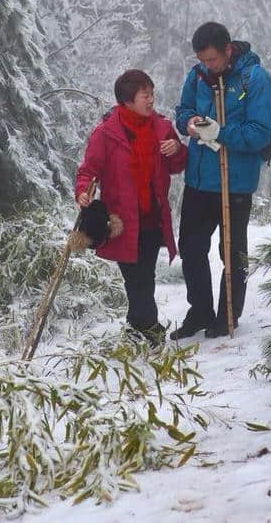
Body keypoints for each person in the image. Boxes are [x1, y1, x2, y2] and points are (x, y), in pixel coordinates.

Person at [172, 22, 271, 339]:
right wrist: (189, 122)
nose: (208, 66)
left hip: (235, 182)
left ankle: (228, 314)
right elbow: (183, 111)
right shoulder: (198, 76)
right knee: (190, 248)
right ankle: (200, 311)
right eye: (203, 60)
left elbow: (260, 134)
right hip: (199, 179)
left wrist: (219, 132)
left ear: (228, 50)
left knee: (231, 252)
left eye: (212, 60)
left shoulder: (255, 80)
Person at [76, 69, 187, 345]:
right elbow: (88, 170)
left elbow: (177, 165)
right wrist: (82, 192)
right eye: (144, 95)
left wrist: (178, 149)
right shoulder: (107, 134)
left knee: (143, 277)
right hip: (122, 222)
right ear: (127, 100)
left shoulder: (161, 128)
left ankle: (139, 328)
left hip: (151, 219)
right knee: (135, 277)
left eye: (152, 94)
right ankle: (148, 330)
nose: (150, 100)